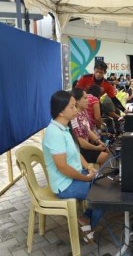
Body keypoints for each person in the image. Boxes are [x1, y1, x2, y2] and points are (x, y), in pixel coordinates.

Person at [42, 90, 103, 243]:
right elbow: (62, 167)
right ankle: (90, 226)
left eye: (75, 106)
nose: (76, 110)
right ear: (61, 112)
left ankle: (85, 218)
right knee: (104, 197)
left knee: (104, 184)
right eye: (72, 107)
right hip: (64, 185)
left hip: (74, 177)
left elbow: (76, 154)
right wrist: (85, 178)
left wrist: (88, 167)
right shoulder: (54, 133)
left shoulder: (65, 128)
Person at [70, 89, 109, 165]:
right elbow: (80, 142)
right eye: (85, 98)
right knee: (104, 156)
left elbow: (88, 130)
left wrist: (99, 142)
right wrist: (96, 148)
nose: (88, 100)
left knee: (106, 151)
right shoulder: (74, 117)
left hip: (86, 145)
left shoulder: (83, 112)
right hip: (79, 150)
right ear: (77, 101)